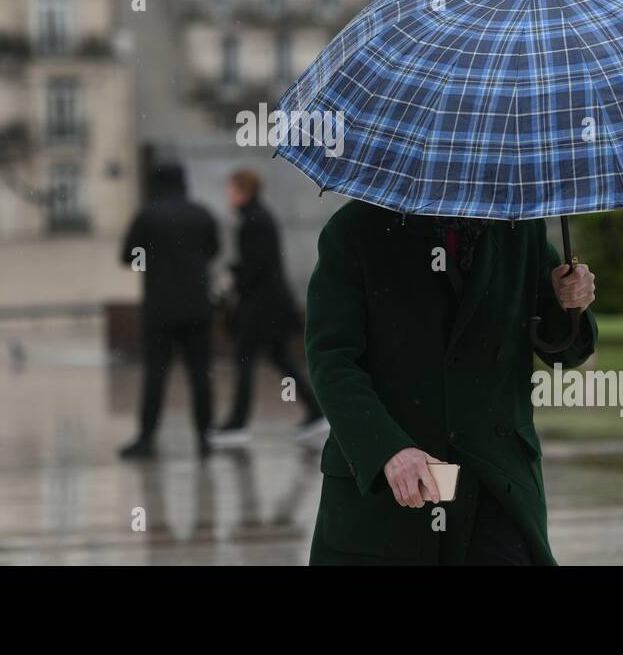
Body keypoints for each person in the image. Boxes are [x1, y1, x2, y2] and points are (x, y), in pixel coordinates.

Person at [304, 201, 597, 566]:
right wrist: (388, 450)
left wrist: (569, 301)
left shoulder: (520, 225)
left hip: (497, 485)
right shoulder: (353, 229)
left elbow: (562, 351)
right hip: (391, 496)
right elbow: (332, 361)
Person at [209, 169, 327, 448]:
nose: (228, 195)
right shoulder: (256, 216)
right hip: (269, 303)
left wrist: (232, 278)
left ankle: (237, 423)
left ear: (244, 191)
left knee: (246, 358)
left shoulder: (254, 219)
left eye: (232, 189)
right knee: (279, 358)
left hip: (261, 305)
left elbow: (257, 265)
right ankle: (315, 411)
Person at [118, 162, 219, 460]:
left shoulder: (148, 215)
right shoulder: (202, 214)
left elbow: (127, 256)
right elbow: (213, 250)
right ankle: (204, 438)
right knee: (200, 375)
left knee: (155, 376)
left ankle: (146, 439)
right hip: (198, 308)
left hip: (160, 310)